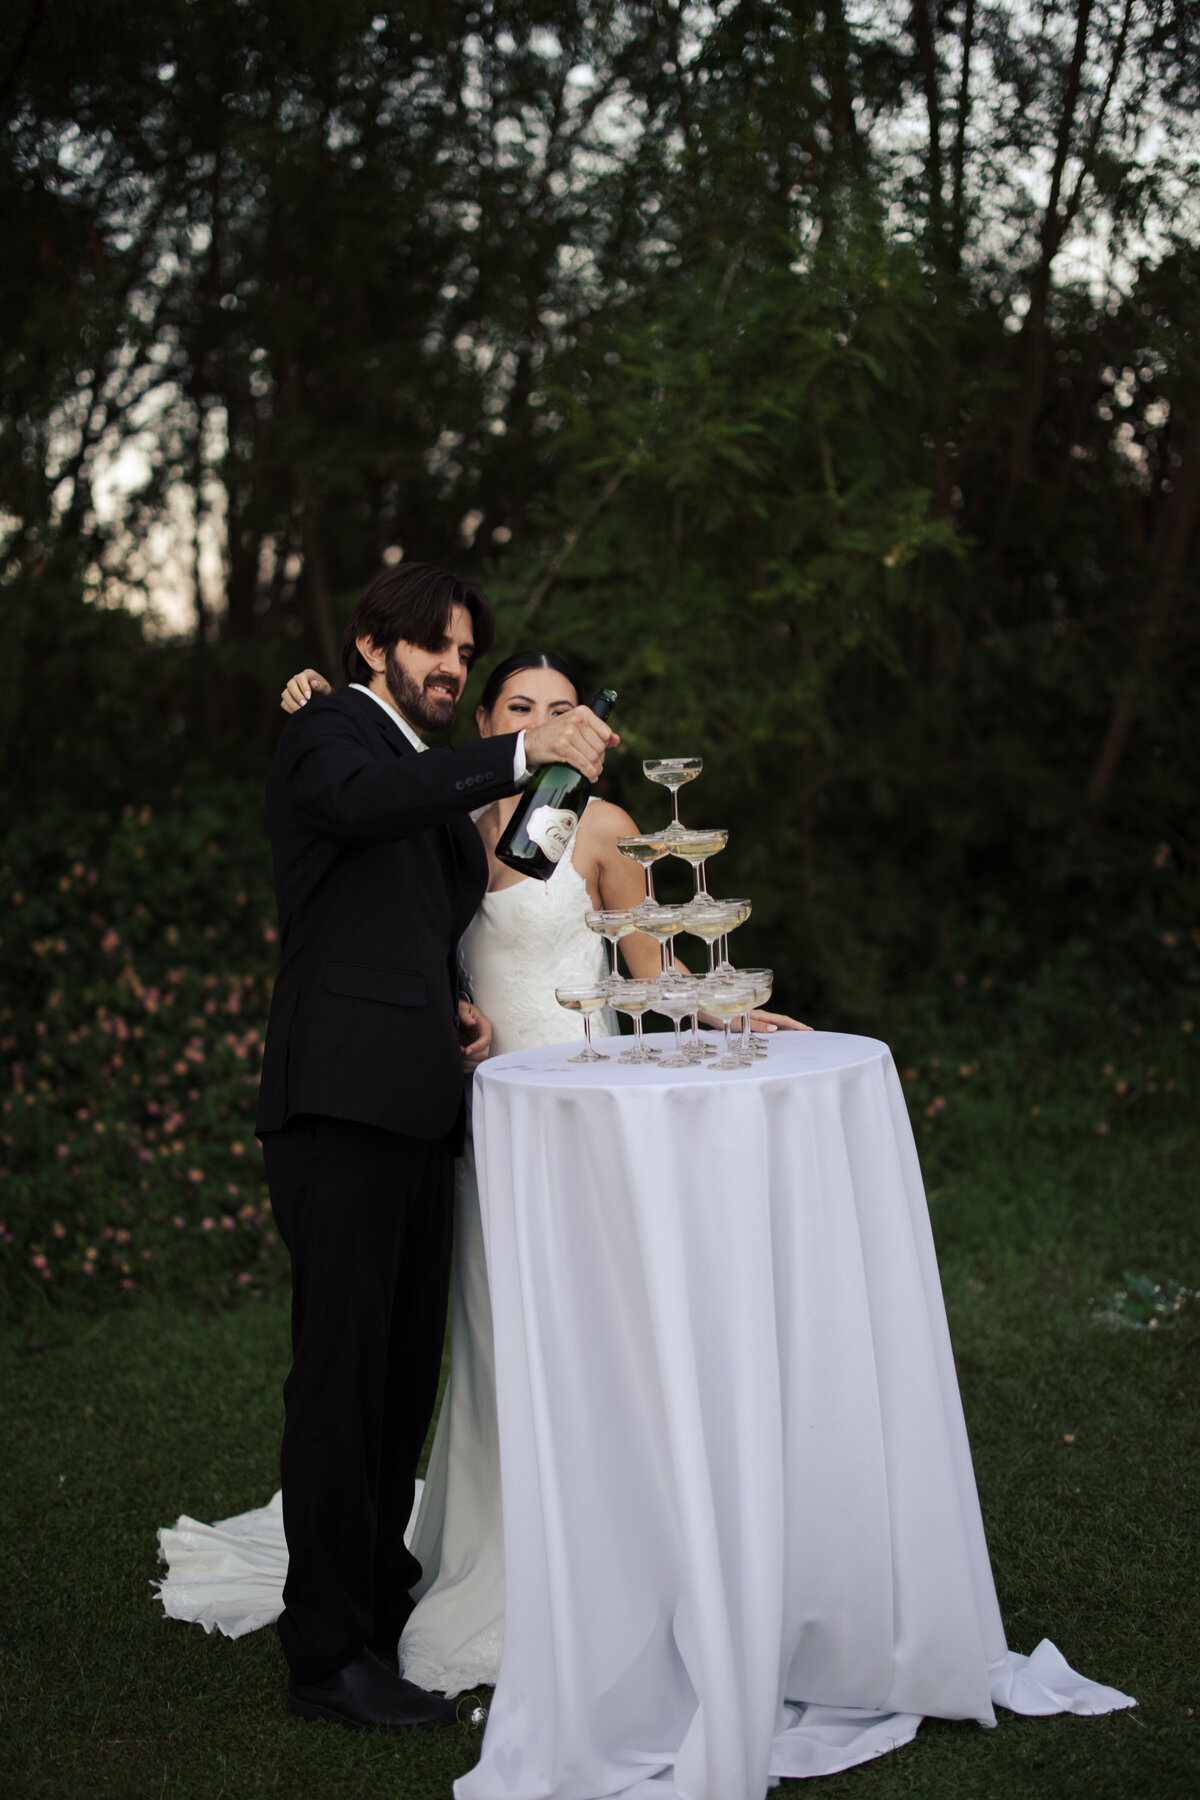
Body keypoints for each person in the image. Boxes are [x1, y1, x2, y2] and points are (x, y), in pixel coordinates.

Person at [277, 647, 807, 1695]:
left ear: (590, 729)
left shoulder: (602, 826)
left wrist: (741, 1011)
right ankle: (488, 1547)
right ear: (485, 720)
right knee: (480, 1339)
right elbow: (398, 925)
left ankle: (614, 1560)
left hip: (581, 1112)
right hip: (470, 1123)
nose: (547, 720)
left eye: (563, 708)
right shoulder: (441, 821)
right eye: (521, 706)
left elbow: (657, 968)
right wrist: (313, 696)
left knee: (594, 1335)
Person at [253, 565, 616, 1732]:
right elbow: (362, 808)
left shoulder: (411, 768)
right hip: (341, 1113)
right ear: (373, 646)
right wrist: (521, 751)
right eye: (431, 647)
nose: (453, 666)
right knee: (341, 1385)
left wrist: (456, 998)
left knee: (401, 1386)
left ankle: (377, 1598)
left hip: (424, 1112)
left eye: (465, 650)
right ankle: (325, 1658)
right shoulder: (330, 735)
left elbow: (480, 889)